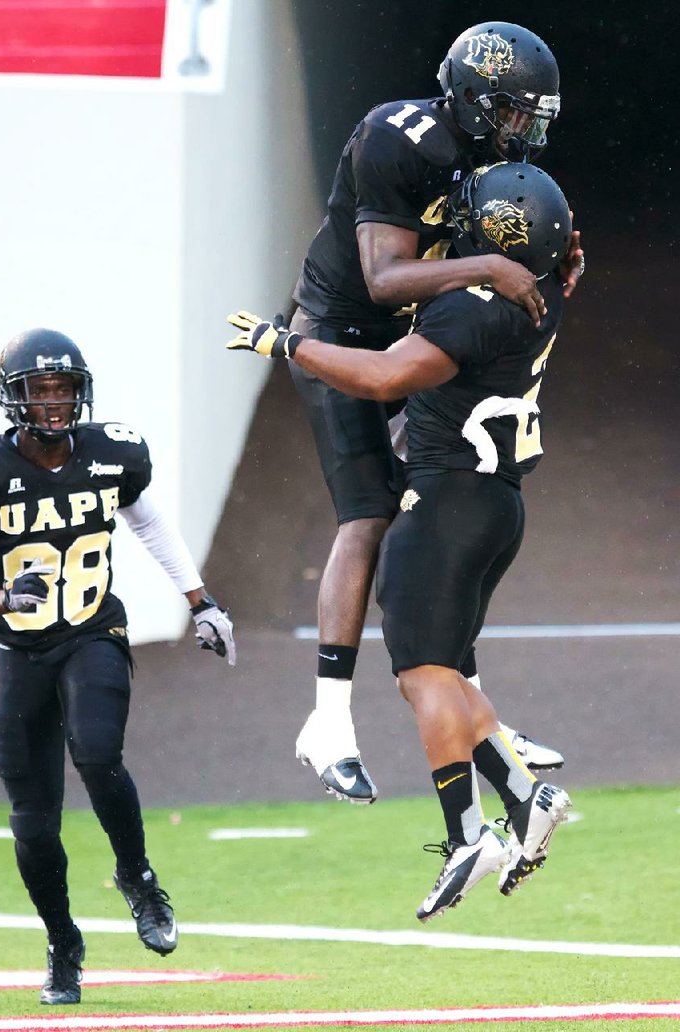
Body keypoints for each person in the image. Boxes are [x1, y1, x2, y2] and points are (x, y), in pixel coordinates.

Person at [226, 160, 574, 919]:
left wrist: (284, 345)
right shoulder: (536, 296)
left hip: (445, 502)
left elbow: (384, 378)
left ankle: (466, 835)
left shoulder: (470, 309)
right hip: (495, 504)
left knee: (422, 676)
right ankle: (524, 793)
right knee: (441, 671)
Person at [286, 21, 584, 804]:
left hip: (409, 336)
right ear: (477, 100)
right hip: (343, 330)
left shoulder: (486, 156)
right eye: (515, 113)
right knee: (370, 515)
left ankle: (477, 710)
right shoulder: (398, 137)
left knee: (441, 513)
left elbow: (504, 229)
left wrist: (547, 255)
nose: (525, 132)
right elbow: (384, 278)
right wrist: (488, 263)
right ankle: (328, 722)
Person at [0, 328, 236, 1005]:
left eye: (63, 390)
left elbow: (148, 522)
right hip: (19, 650)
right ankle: (63, 942)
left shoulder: (113, 452)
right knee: (33, 818)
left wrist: (202, 601)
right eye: (39, 392)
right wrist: (1, 597)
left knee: (98, 752)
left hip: (93, 629)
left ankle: (137, 879)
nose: (53, 404)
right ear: (14, 400)